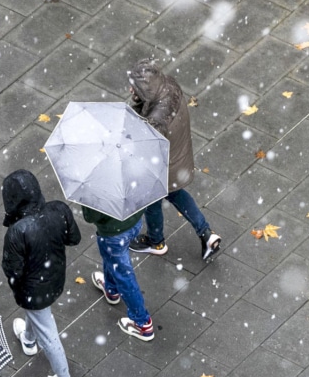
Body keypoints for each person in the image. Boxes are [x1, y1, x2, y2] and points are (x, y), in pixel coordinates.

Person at [127, 57, 221, 261]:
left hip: (162, 165)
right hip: (176, 156)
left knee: (151, 199)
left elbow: (145, 143)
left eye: (134, 88)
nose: (131, 91)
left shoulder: (157, 120)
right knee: (175, 193)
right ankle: (206, 233)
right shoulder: (168, 85)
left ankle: (156, 241)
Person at [1, 169, 81, 377]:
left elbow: (12, 269)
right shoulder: (58, 209)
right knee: (38, 314)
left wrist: (20, 284)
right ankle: (28, 340)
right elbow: (74, 238)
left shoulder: (18, 231)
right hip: (55, 278)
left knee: (48, 332)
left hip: (33, 289)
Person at [83, 206, 155, 341]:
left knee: (124, 275)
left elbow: (90, 217)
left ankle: (142, 323)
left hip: (113, 234)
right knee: (112, 259)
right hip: (135, 221)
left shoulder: (96, 190)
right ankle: (111, 289)